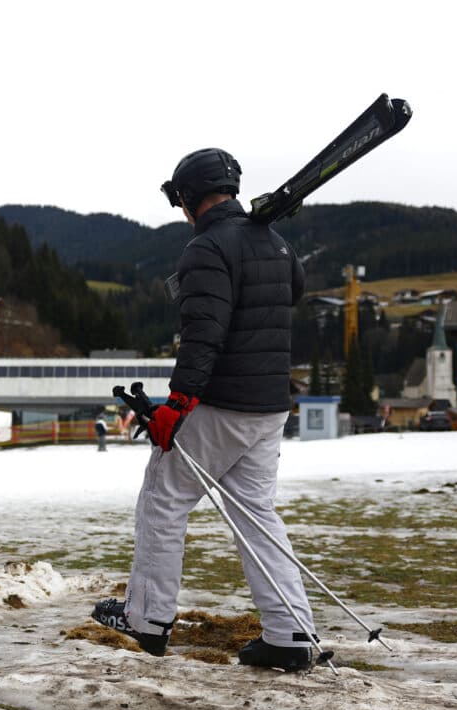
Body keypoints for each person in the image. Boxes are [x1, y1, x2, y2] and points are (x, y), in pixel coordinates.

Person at [91, 148, 316, 671]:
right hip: (268, 407)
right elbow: (295, 292)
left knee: (162, 500)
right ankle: (290, 634)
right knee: (256, 515)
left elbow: (202, 336)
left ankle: (147, 621)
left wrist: (177, 403)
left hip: (223, 403)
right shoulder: (277, 243)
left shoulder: (204, 248)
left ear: (189, 197)